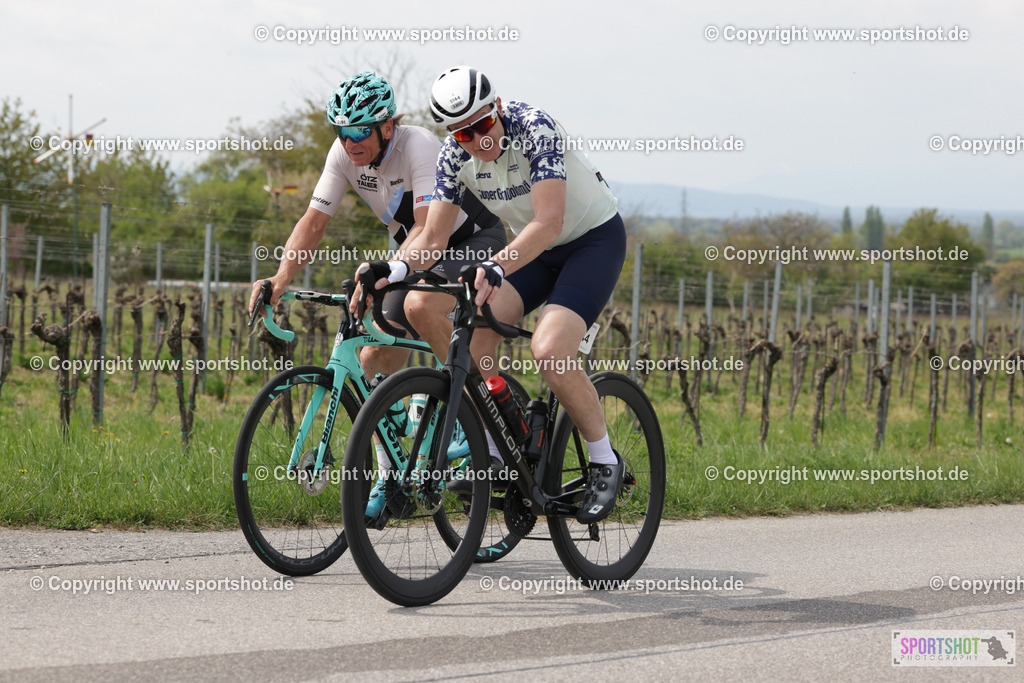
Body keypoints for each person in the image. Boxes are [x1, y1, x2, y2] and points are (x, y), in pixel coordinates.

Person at [362, 66, 627, 523]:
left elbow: (550, 221)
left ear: (498, 107)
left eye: (483, 124)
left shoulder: (535, 128)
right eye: (463, 133)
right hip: (535, 249)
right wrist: (396, 268)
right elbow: (433, 238)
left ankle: (605, 461)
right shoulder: (452, 156)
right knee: (474, 333)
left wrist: (497, 265)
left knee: (550, 351)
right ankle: (496, 448)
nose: (478, 140)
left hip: (591, 243)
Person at [249, 71, 505, 517]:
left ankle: (468, 412)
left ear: (387, 126)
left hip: (470, 240)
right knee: (370, 359)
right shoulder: (343, 155)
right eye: (342, 132)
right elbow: (313, 223)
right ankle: (392, 479)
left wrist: (387, 273)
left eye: (359, 132)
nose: (349, 142)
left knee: (419, 306)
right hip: (416, 251)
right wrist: (280, 278)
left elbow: (427, 229)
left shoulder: (419, 146)